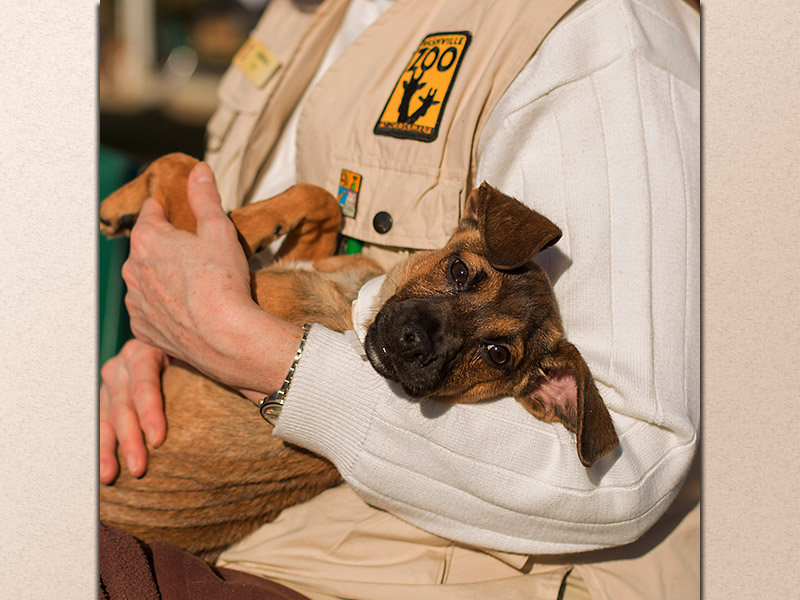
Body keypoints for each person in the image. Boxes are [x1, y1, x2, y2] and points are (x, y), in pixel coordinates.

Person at [100, 0, 700, 597]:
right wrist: (162, 338)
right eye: (460, 276)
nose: (427, 330)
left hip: (368, 572)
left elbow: (628, 472)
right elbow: (216, 274)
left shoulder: (599, 44)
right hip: (177, 489)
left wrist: (258, 354)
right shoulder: (305, 14)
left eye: (495, 353)